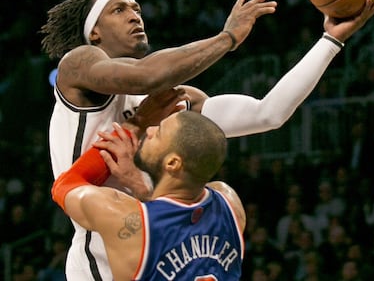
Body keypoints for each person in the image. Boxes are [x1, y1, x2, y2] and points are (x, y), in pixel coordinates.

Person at [41, 0, 374, 280]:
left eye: (137, 8)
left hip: (165, 253)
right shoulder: (79, 63)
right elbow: (147, 75)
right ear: (95, 33)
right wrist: (228, 38)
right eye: (119, 9)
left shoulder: (169, 101)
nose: (135, 16)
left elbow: (268, 113)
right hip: (100, 262)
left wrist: (330, 41)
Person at [52, 111, 246, 280]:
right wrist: (139, 186)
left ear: (172, 163)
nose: (150, 130)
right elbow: (179, 218)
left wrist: (133, 127)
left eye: (159, 133)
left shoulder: (124, 218)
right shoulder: (230, 203)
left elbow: (63, 185)